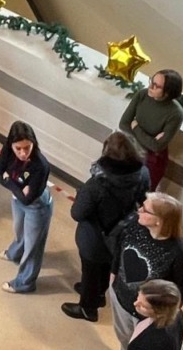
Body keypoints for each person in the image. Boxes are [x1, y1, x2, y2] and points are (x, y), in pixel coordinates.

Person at [62, 131, 150, 322]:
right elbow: (143, 199)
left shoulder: (97, 184)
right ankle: (99, 294)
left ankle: (87, 308)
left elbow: (77, 213)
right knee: (106, 267)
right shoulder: (142, 173)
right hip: (121, 234)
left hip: (94, 238)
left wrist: (81, 197)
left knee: (90, 270)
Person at [108, 193, 183, 350]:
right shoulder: (134, 226)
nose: (139, 210)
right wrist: (113, 278)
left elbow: (178, 292)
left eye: (145, 210)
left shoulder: (180, 253)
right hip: (121, 298)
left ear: (159, 220)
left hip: (147, 314)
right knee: (125, 339)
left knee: (137, 346)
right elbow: (119, 251)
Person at [0, 121, 53, 293]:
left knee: (33, 246)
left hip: (37, 206)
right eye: (18, 148)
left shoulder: (40, 165)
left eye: (27, 148)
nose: (22, 153)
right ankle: (15, 253)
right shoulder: (7, 151)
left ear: (33, 143)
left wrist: (9, 181)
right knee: (19, 231)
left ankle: (25, 282)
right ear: (11, 145)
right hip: (17, 199)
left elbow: (28, 199)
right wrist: (18, 187)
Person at [119, 68, 183, 190]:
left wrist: (136, 127)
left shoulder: (176, 113)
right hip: (130, 149)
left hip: (152, 159)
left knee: (141, 195)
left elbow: (157, 146)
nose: (151, 86)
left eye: (156, 85)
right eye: (151, 81)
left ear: (168, 92)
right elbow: (123, 124)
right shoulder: (142, 94)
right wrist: (148, 140)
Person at [118, 279, 183, 350]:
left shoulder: (155, 342)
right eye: (137, 297)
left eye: (144, 306)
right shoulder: (176, 313)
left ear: (160, 312)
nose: (135, 304)